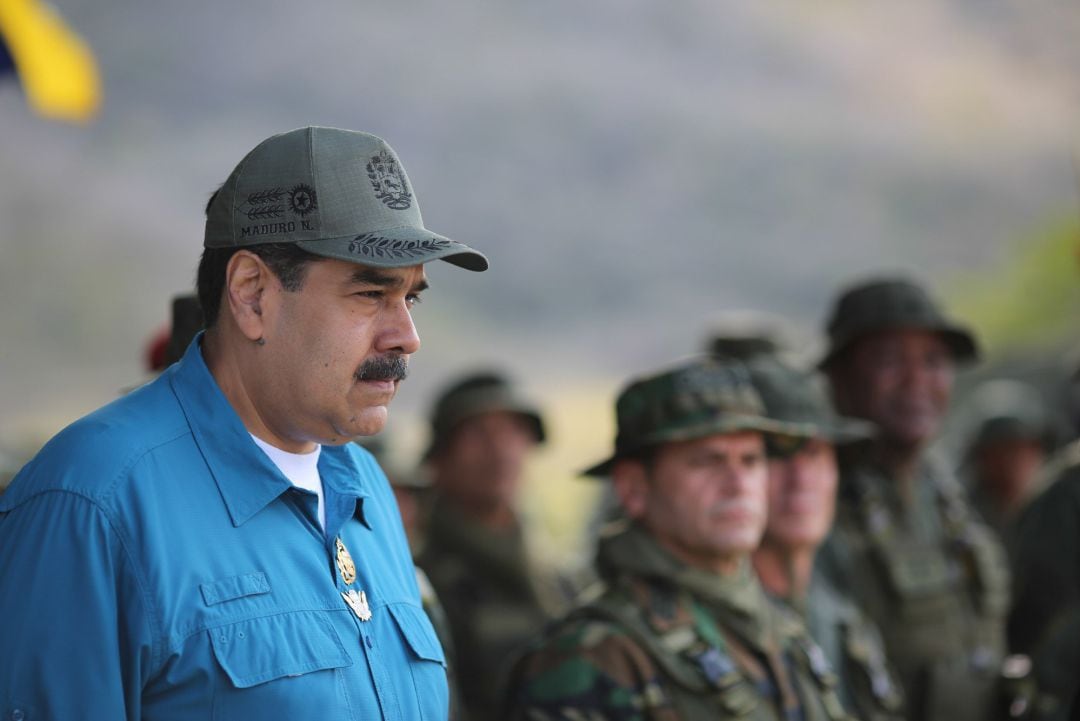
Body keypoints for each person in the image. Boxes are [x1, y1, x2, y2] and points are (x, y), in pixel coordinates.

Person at [0, 126, 488, 720]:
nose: (406, 337)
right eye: (369, 293)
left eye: (410, 298)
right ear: (253, 294)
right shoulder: (92, 501)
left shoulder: (364, 488)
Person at [505, 357, 853, 721]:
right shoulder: (592, 656)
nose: (738, 485)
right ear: (633, 488)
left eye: (750, 460)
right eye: (707, 461)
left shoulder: (783, 629)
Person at [815, 277, 1011, 721]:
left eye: (934, 361)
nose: (917, 381)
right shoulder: (815, 505)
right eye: (889, 361)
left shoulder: (946, 493)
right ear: (838, 379)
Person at [747, 356, 904, 720]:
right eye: (778, 456)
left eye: (815, 454)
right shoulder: (720, 628)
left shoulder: (840, 616)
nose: (801, 479)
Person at [417, 371, 554, 721]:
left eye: (512, 432)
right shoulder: (421, 583)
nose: (500, 450)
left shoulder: (557, 576)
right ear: (439, 460)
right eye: (477, 434)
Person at [958, 379, 1054, 553]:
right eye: (999, 451)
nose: (1010, 463)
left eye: (1019, 449)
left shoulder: (1061, 510)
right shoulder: (963, 519)